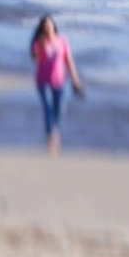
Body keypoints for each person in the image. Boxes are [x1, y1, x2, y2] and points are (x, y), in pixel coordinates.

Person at [30, 15, 84, 156]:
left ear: (54, 26)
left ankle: (55, 129)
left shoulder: (62, 41)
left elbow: (68, 60)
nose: (48, 27)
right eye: (45, 25)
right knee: (47, 107)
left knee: (59, 108)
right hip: (43, 81)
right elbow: (36, 59)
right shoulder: (39, 42)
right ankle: (51, 134)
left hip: (60, 80)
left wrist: (75, 78)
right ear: (42, 28)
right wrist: (41, 46)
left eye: (50, 24)